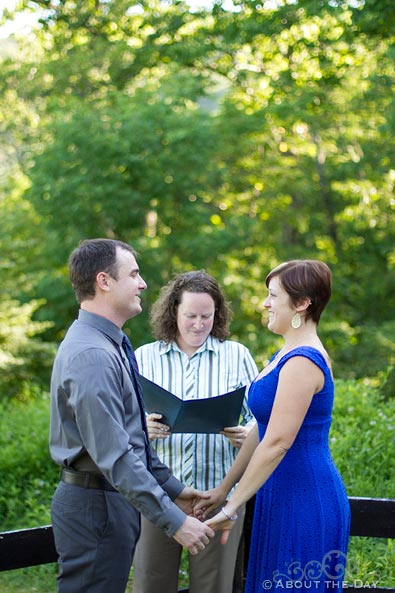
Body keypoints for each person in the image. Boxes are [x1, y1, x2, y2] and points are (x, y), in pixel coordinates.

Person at [49, 239, 214, 593]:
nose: (143, 284)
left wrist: (176, 491)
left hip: (110, 503)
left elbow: (132, 436)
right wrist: (175, 522)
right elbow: (115, 454)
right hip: (96, 508)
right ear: (104, 281)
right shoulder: (92, 354)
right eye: (134, 274)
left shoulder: (113, 344)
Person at [198, 260, 350, 592]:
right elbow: (262, 430)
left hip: (305, 498)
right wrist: (225, 489)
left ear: (301, 303)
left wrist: (234, 505)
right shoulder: (283, 355)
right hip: (277, 494)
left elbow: (279, 441)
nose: (265, 303)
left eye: (273, 295)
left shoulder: (302, 361)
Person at [132, 270, 258, 593]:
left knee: (213, 588)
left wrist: (247, 432)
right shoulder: (143, 358)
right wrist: (141, 428)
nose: (199, 324)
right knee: (151, 585)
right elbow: (120, 426)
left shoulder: (237, 356)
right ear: (173, 311)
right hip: (157, 497)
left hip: (219, 498)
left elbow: (262, 419)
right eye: (190, 315)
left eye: (207, 316)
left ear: (218, 315)